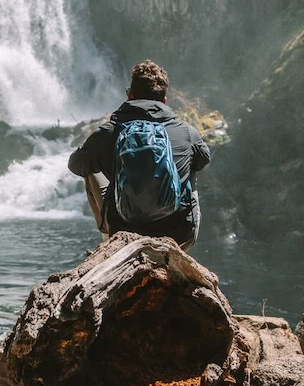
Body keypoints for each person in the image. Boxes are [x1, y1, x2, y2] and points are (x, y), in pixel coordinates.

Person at [68, 60, 211, 249]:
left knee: (89, 165)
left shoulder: (108, 132)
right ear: (164, 101)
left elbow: (75, 164)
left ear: (129, 95)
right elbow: (204, 160)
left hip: (123, 230)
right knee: (193, 164)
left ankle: (108, 238)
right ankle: (180, 248)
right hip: (178, 233)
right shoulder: (186, 133)